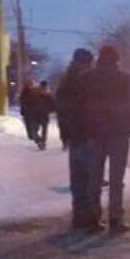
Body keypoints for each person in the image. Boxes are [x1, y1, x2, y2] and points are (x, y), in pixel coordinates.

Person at [78, 45, 130, 234]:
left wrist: (85, 127)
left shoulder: (87, 79)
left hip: (95, 134)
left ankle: (93, 218)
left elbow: (80, 106)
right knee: (116, 179)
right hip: (119, 134)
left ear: (99, 58)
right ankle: (115, 218)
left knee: (94, 178)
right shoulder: (126, 79)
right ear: (116, 59)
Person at [55, 48, 98, 231]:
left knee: (78, 179)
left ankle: (79, 217)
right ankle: (89, 218)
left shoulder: (66, 81)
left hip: (74, 135)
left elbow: (61, 111)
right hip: (87, 134)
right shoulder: (86, 81)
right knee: (89, 179)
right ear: (86, 63)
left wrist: (65, 134)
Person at [30, 80, 55, 150]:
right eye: (43, 88)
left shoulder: (49, 95)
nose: (44, 89)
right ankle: (39, 141)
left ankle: (42, 142)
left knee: (44, 129)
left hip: (44, 114)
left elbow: (53, 105)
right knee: (34, 130)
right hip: (35, 115)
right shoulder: (35, 94)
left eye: (45, 88)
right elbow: (30, 103)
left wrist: (50, 109)